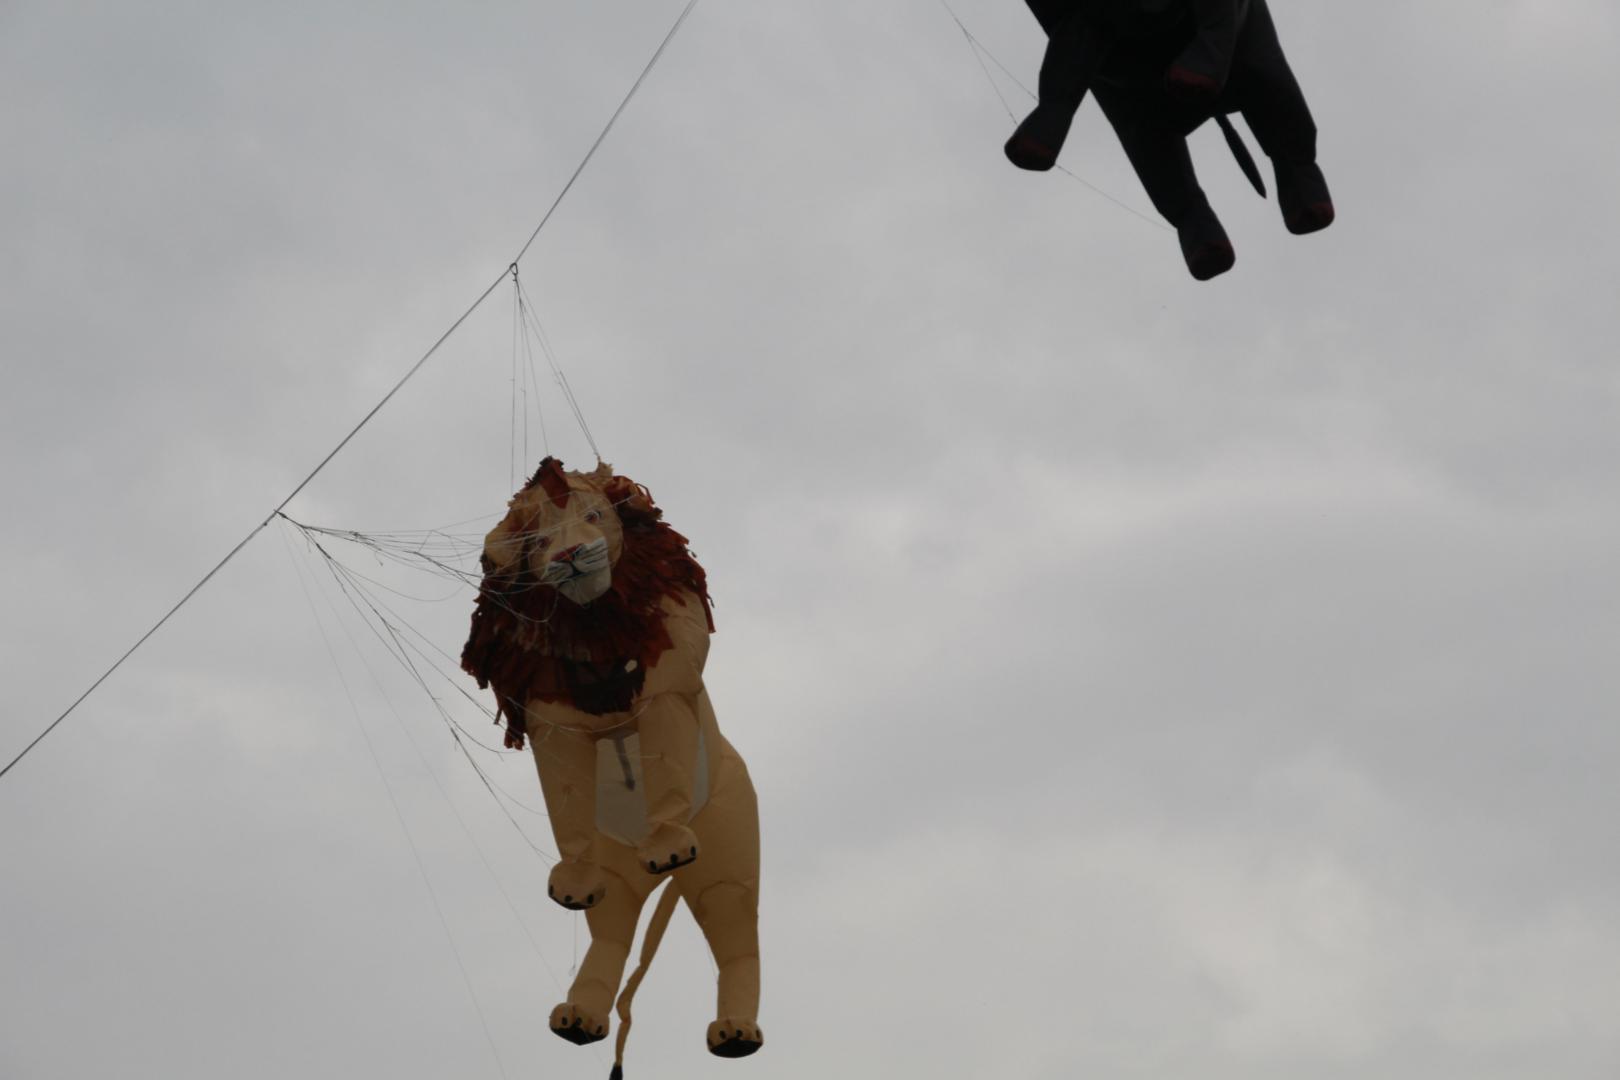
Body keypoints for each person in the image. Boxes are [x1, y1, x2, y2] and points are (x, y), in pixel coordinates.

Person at [1007, 0, 1333, 280]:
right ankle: (1194, 222)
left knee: (1266, 80)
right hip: (1123, 63)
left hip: (1218, 34)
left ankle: (1297, 172)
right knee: (1144, 133)